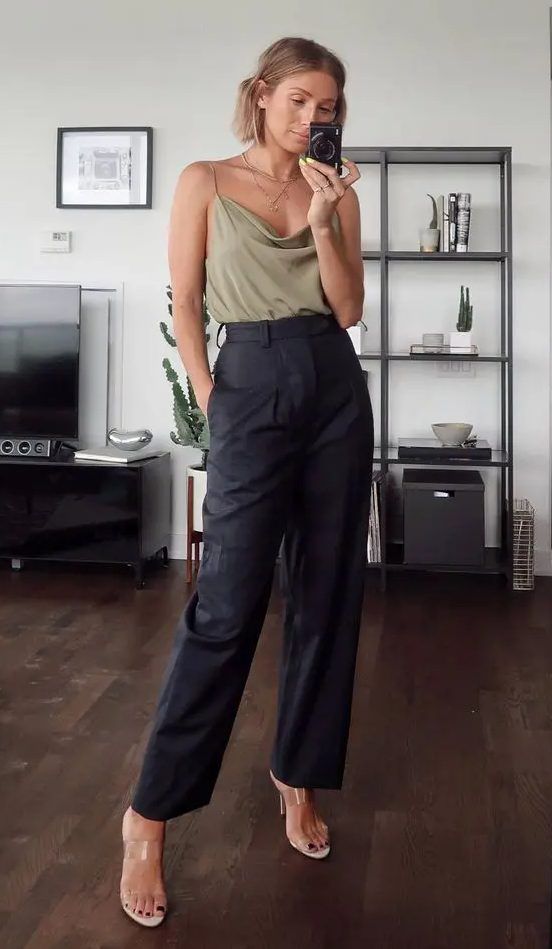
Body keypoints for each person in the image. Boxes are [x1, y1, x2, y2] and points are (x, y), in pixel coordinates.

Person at [119, 35, 374, 928]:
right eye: (302, 100)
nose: (316, 118)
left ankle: (296, 777)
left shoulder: (334, 188)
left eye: (330, 107)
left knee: (327, 591)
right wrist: (209, 392)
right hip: (250, 381)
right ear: (263, 95)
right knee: (225, 602)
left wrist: (325, 222)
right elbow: (185, 300)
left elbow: (347, 308)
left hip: (333, 382)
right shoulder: (204, 180)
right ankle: (148, 814)